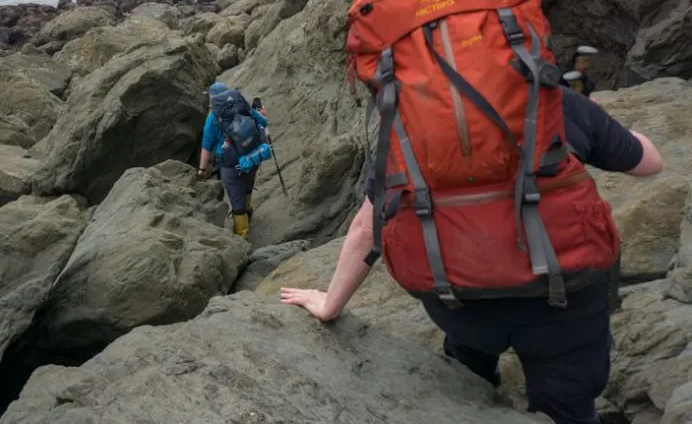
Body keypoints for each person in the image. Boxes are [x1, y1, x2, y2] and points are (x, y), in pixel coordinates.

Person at [280, 86, 664, 424]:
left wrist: (330, 304)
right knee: (568, 409)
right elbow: (650, 164)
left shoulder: (404, 126)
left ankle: (473, 377)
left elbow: (367, 228)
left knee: (466, 352)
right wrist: (604, 124)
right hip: (565, 307)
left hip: (461, 307)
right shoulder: (555, 102)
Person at [198, 81, 269, 238]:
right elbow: (263, 122)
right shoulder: (243, 105)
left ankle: (242, 235)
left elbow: (207, 146)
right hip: (252, 156)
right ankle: (248, 210)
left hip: (230, 164)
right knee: (248, 185)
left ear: (214, 97)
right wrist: (261, 115)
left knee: (236, 198)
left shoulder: (213, 117)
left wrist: (202, 170)